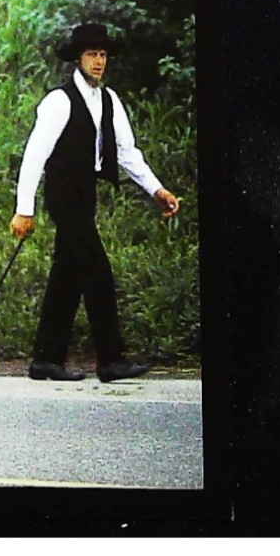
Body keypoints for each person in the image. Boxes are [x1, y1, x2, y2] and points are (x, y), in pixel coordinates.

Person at [11, 23, 182, 383]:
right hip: (63, 195)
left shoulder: (109, 100)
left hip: (86, 194)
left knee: (67, 276)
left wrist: (157, 190)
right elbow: (34, 156)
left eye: (103, 54)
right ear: (78, 58)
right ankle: (111, 360)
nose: (99, 61)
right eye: (92, 54)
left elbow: (126, 152)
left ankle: (46, 359)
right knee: (97, 271)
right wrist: (24, 209)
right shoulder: (58, 101)